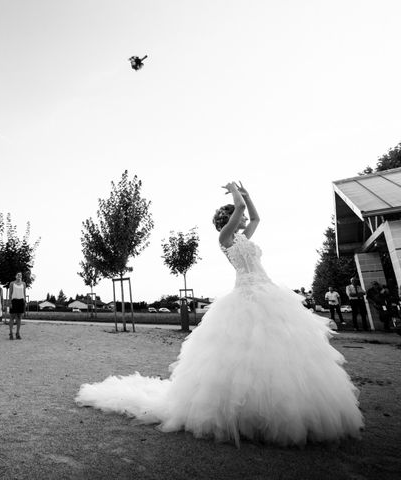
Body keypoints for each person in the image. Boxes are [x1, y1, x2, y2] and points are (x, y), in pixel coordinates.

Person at [76, 181, 363, 447]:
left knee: (279, 348)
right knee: (245, 349)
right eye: (234, 217)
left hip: (267, 290)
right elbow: (239, 211)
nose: (240, 221)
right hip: (247, 293)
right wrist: (233, 191)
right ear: (226, 221)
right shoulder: (226, 238)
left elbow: (256, 218)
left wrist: (248, 196)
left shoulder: (243, 237)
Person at [8, 272, 26, 340]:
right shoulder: (12, 283)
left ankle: (17, 333)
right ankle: (11, 333)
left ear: (21, 276)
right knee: (12, 317)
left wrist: (25, 302)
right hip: (14, 301)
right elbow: (10, 294)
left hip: (21, 301)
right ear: (15, 276)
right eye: (18, 274)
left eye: (20, 275)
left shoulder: (24, 284)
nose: (19, 276)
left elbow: (24, 293)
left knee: (19, 318)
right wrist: (10, 303)